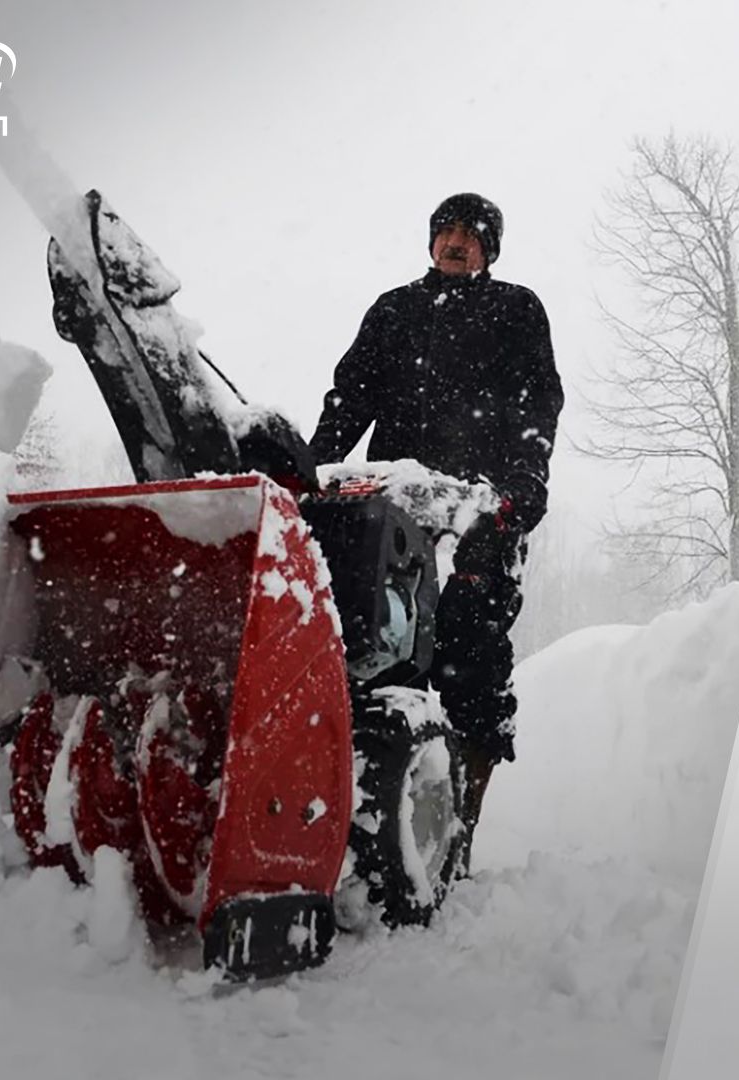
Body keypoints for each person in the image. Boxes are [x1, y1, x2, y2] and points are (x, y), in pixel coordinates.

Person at [311, 192, 564, 830]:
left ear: (490, 250)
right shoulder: (394, 310)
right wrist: (307, 472)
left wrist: (521, 491)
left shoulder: (516, 310)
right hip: (387, 516)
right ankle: (370, 819)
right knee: (372, 658)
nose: (455, 241)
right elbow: (349, 398)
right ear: (430, 242)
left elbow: (539, 407)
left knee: (471, 660)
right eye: (445, 231)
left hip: (481, 512)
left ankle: (460, 828)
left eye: (471, 234)